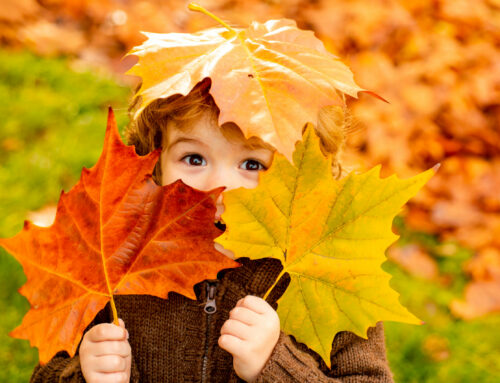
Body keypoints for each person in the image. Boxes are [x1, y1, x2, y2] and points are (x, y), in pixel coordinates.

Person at [30, 76, 394, 382]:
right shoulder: (113, 263)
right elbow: (47, 369)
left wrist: (275, 364)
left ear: (302, 180)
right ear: (154, 163)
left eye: (252, 164)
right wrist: (83, 373)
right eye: (194, 158)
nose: (218, 187)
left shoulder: (329, 275)